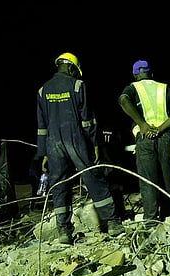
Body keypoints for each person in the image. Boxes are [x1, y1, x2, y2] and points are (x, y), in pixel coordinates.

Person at [36, 52, 125, 244]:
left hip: (53, 144)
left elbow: (41, 126)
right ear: (70, 67)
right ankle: (112, 223)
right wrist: (94, 143)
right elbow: (87, 120)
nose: (76, 74)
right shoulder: (77, 86)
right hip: (75, 139)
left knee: (59, 184)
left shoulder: (43, 90)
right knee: (93, 177)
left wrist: (43, 153)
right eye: (76, 71)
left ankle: (64, 231)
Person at [118, 60, 170, 222]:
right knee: (167, 178)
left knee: (148, 180)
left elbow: (123, 100)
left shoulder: (132, 88)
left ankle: (150, 220)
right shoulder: (165, 88)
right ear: (151, 73)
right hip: (165, 136)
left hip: (145, 137)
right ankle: (168, 217)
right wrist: (160, 129)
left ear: (135, 74)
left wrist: (143, 124)